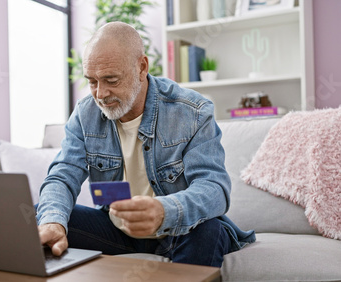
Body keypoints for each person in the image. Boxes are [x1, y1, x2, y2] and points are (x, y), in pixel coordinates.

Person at [36, 22, 255, 267]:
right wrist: (53, 220)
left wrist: (164, 212)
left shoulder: (192, 112)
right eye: (92, 81)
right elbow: (62, 176)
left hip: (179, 232)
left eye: (111, 79)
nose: (100, 93)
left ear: (141, 67)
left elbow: (214, 188)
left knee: (210, 231)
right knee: (43, 217)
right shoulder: (85, 114)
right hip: (118, 232)